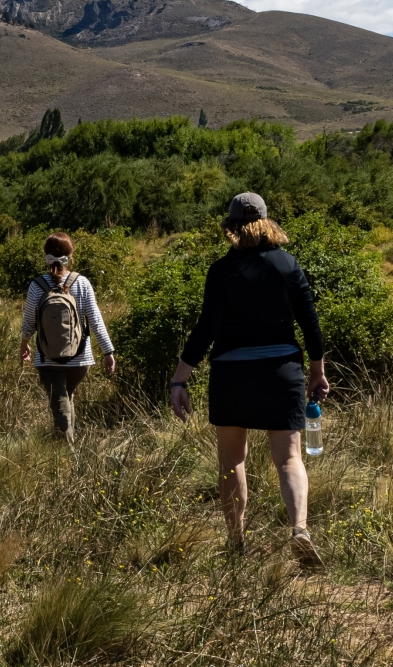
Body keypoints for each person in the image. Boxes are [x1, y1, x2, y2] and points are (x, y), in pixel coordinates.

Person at [168, 192, 330, 566]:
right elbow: (311, 324)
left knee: (231, 461)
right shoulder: (288, 265)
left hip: (231, 372)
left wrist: (180, 380)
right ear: (268, 222)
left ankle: (236, 541)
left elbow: (205, 329)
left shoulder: (221, 271)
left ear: (230, 227)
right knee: (289, 458)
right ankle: (300, 528)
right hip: (282, 371)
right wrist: (318, 371)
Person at [20, 232, 115, 444]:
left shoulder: (37, 285)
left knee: (60, 402)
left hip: (47, 359)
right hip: (80, 360)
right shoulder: (82, 283)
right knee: (66, 398)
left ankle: (66, 452)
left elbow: (29, 323)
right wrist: (108, 352)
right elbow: (96, 320)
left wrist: (24, 344)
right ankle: (70, 448)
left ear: (45, 256)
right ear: (70, 256)